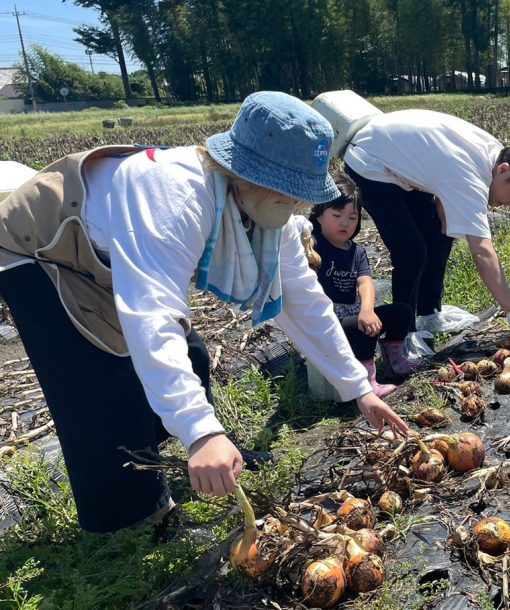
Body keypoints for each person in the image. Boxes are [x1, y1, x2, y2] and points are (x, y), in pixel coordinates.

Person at [0, 91, 408, 534]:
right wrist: (200, 429)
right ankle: (135, 520)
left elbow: (304, 301)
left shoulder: (273, 218)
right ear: (247, 176)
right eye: (289, 195)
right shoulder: (175, 199)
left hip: (109, 255)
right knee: (101, 380)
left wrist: (357, 387)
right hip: (40, 251)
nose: (296, 207)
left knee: (190, 355)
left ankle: (188, 461)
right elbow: (152, 314)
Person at [343, 109, 510, 352]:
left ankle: (429, 313)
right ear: (503, 170)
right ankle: (401, 337)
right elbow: (483, 253)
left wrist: (441, 220)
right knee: (411, 251)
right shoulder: (471, 177)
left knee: (440, 234)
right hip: (370, 160)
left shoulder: (493, 155)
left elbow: (443, 179)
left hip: (395, 154)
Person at [297, 172, 413, 395]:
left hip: (354, 315)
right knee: (362, 329)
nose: (345, 222)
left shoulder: (357, 251)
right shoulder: (314, 245)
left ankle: (394, 364)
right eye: (337, 215)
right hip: (327, 323)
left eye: (352, 217)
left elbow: (365, 283)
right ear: (319, 215)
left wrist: (367, 309)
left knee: (402, 312)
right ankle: (367, 381)